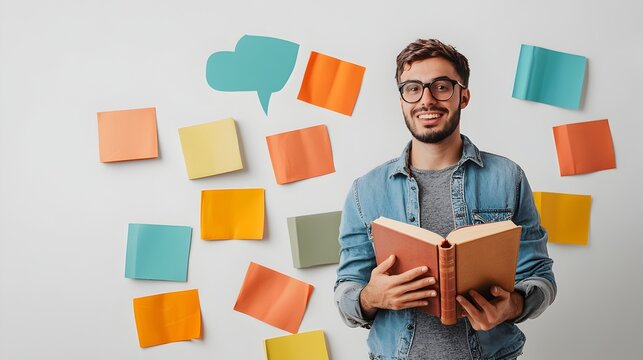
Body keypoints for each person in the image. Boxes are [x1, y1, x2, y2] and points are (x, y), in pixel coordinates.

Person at [334, 39, 556, 360]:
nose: (426, 100)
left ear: (463, 96)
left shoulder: (508, 177)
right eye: (413, 88)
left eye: (441, 86)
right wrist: (370, 296)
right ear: (401, 99)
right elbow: (346, 291)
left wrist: (513, 306)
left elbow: (540, 276)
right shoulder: (364, 190)